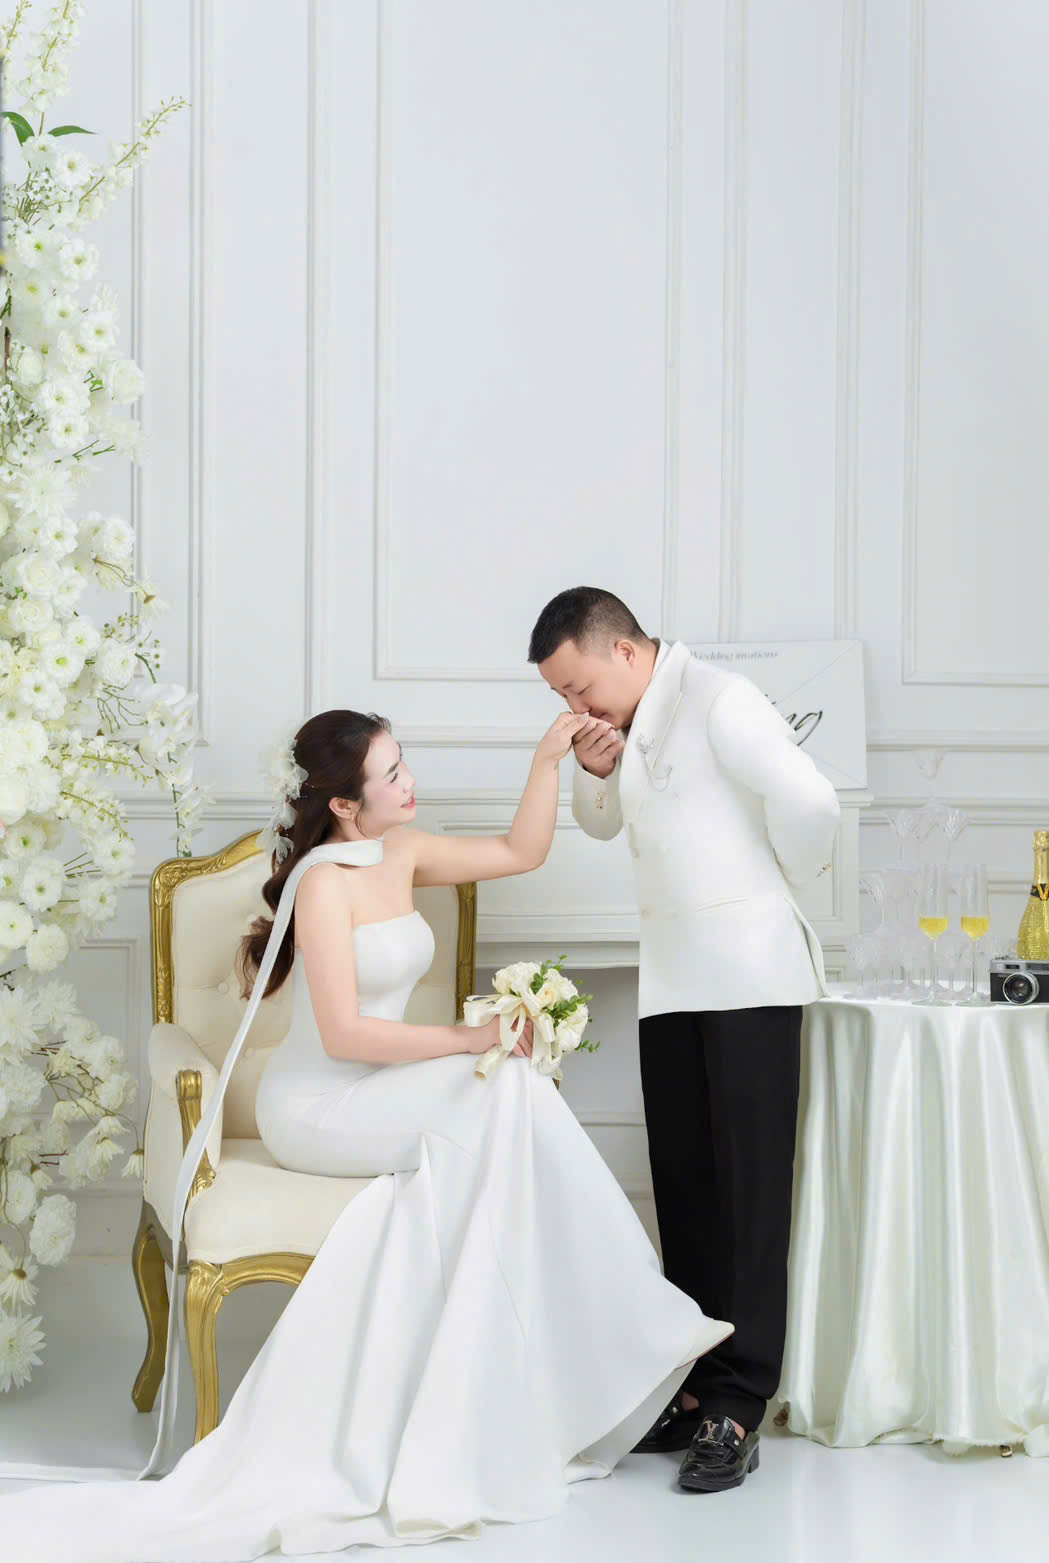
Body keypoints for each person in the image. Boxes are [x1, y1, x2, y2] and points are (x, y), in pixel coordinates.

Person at [0, 706, 732, 1559]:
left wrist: (546, 759)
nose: (408, 782)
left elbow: (520, 850)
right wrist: (466, 1036)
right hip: (317, 1108)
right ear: (344, 804)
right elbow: (345, 1036)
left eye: (402, 762)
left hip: (383, 1089)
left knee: (514, 1088)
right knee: (498, 1087)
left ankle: (557, 1362)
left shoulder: (404, 850)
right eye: (390, 775)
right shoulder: (322, 884)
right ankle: (612, 1338)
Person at [529, 586, 840, 1494]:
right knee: (689, 1195)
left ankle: (742, 1401)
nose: (574, 706)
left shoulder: (720, 700)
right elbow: (604, 823)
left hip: (747, 980)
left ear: (624, 651)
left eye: (579, 686)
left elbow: (811, 800)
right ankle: (701, 1385)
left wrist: (777, 884)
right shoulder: (632, 718)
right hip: (670, 984)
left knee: (749, 1200)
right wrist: (594, 768)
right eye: (562, 696)